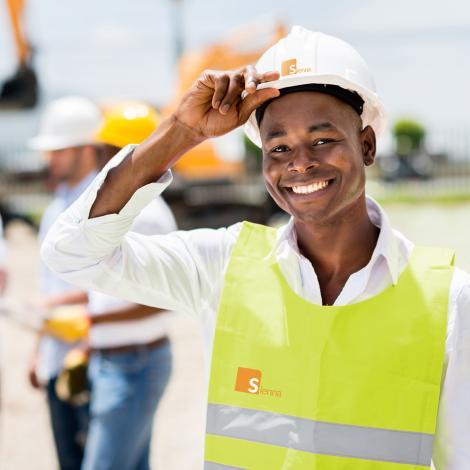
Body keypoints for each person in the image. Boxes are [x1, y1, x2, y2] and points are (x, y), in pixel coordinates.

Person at [41, 26, 470, 469]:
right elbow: (71, 253)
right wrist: (180, 132)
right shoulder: (223, 266)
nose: (300, 163)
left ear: (366, 144)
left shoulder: (447, 299)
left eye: (323, 140)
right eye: (278, 146)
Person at [81, 101, 176, 470]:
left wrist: (91, 323)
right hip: (125, 360)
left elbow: (160, 299)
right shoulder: (133, 211)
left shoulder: (146, 216)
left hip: (132, 363)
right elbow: (109, 284)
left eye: (103, 151)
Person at [29, 96, 102, 470]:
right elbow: (50, 284)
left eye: (59, 150)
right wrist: (38, 352)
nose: (50, 159)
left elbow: (114, 282)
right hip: (59, 358)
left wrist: (52, 309)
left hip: (93, 357)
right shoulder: (58, 205)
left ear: (87, 149)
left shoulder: (102, 205)